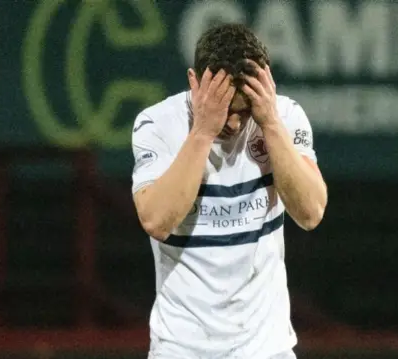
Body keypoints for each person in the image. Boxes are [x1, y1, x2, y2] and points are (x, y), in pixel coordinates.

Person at [131, 23, 327, 359]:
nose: (234, 123)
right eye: (224, 108)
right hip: (182, 348)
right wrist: (203, 131)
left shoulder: (285, 116)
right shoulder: (158, 124)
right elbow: (157, 221)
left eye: (243, 110)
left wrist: (270, 123)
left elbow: (310, 213)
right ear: (195, 81)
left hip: (266, 348)